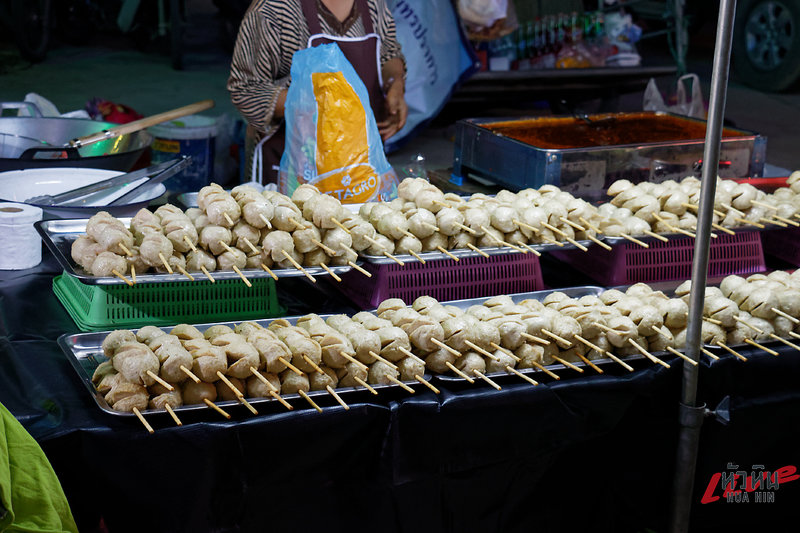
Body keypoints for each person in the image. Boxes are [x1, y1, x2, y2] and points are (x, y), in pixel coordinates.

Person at [228, 0, 408, 185]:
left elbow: (389, 54)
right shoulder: (273, 10)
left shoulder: (373, 4)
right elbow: (246, 89)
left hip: (360, 176)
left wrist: (395, 83)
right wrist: (326, 106)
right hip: (292, 174)